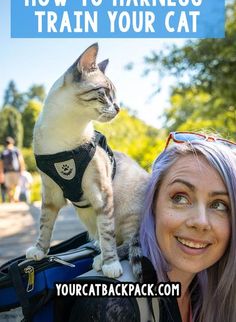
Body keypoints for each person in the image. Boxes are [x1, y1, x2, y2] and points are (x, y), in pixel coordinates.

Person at [67, 131, 236, 322]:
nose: (200, 222)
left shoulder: (211, 289)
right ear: (151, 203)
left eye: (220, 205)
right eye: (180, 198)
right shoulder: (111, 303)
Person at [0, 136, 25, 203]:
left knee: (8, 187)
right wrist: (22, 169)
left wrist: (1, 173)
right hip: (16, 171)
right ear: (12, 143)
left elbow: (1, 164)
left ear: (6, 143)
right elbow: (20, 160)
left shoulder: (4, 152)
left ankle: (12, 200)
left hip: (7, 172)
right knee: (18, 185)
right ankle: (15, 196)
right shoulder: (16, 150)